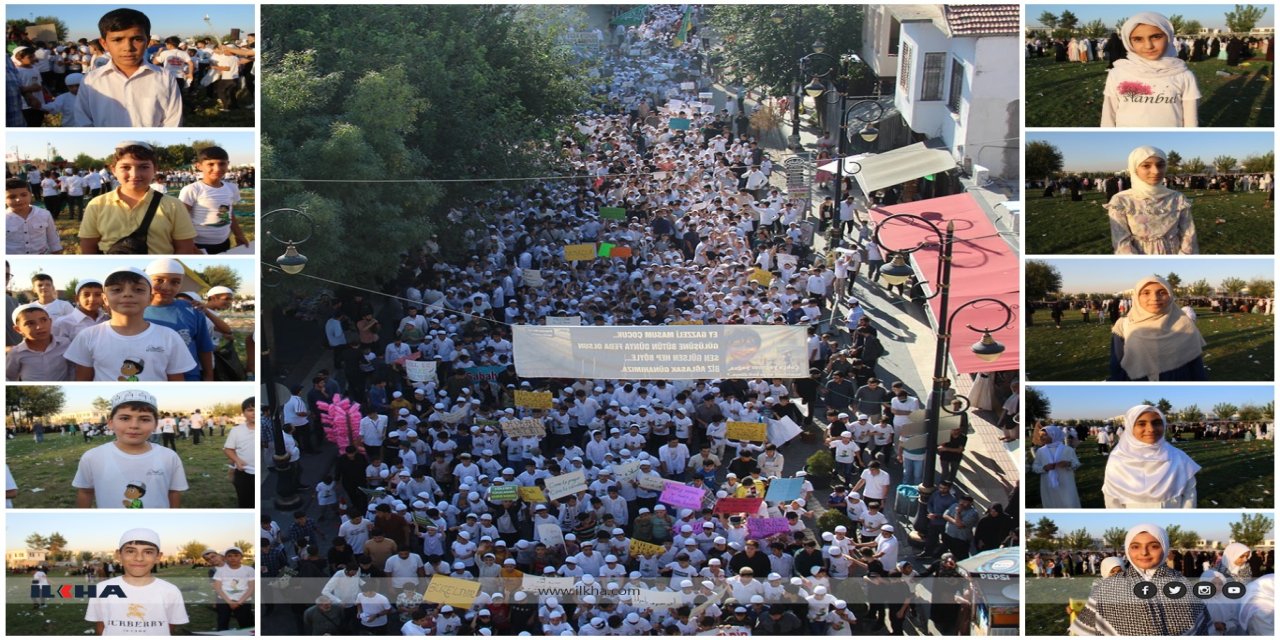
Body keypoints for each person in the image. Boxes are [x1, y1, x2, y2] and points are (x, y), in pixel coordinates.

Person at [1070, 523, 1210, 635]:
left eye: (1154, 546)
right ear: (1128, 550)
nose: (1144, 552)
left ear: (1165, 548)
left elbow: (1198, 627)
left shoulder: (1183, 584)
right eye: (1135, 546)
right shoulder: (1108, 587)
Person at [64, 267, 196, 381]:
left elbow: (176, 381)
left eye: (138, 290)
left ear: (150, 298)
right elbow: (84, 379)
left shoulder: (169, 337)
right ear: (105, 299)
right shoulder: (88, 336)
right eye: (117, 290)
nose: (127, 294)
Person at [72, 389, 189, 508]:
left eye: (144, 419)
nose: (134, 426)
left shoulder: (169, 457)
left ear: (155, 425)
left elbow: (174, 492)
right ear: (111, 423)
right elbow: (85, 492)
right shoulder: (92, 457)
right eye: (125, 418)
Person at [78, 142, 198, 254]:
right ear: (113, 170)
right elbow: (88, 246)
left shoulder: (173, 205)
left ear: (155, 169)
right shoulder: (97, 204)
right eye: (125, 167)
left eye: (144, 167)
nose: (134, 175)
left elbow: (184, 247)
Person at [73, 8, 183, 127]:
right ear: (104, 43)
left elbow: (172, 122)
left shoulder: (165, 77)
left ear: (147, 41)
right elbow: (83, 121)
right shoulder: (91, 80)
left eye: (137, 39)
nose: (128, 48)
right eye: (117, 40)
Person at [1101, 12, 1200, 127]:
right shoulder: (1118, 73)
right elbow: (1109, 114)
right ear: (1128, 42)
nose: (1148, 46)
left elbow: (1190, 119)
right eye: (1138, 39)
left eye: (1156, 37)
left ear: (1168, 36)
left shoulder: (1183, 75)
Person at [84, 527, 189, 634]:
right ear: (119, 555)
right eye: (130, 551)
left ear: (158, 557)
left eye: (148, 552)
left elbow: (168, 627)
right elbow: (101, 625)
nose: (139, 558)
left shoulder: (170, 591)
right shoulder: (101, 589)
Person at [1109, 275, 1207, 381]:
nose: (1155, 298)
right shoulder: (1124, 326)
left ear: (1170, 295)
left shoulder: (1185, 324)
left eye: (1162, 292)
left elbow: (1196, 366)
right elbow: (1116, 366)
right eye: (1146, 293)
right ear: (1137, 296)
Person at [1102, 405, 1200, 508]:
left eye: (1157, 423)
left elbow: (1190, 496)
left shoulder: (1178, 457)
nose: (1151, 429)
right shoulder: (1117, 459)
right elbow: (1112, 501)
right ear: (1131, 427)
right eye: (1142, 424)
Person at [1107, 146, 1196, 255]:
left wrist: (1184, 255)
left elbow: (1188, 232)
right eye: (1146, 166)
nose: (1156, 171)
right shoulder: (1122, 201)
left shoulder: (1177, 198)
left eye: (1160, 165)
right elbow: (1121, 242)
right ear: (1134, 168)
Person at [143, 258, 215, 381]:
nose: (166, 287)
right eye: (159, 280)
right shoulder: (133, 310)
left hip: (188, 377)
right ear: (147, 281)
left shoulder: (193, 310)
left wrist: (209, 376)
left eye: (175, 282)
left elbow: (204, 347)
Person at [178, 146, 248, 253]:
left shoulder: (232, 188)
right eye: (210, 164)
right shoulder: (192, 189)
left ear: (228, 164)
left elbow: (229, 213)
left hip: (224, 241)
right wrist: (190, 245)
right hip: (198, 245)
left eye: (222, 164)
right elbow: (181, 220)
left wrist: (239, 235)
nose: (217, 169)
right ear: (199, 166)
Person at [6, 304, 73, 381]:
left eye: (43, 320)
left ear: (50, 321)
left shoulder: (65, 343)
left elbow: (72, 368)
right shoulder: (16, 353)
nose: (39, 327)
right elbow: (9, 377)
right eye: (30, 323)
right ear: (18, 329)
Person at [6, 179, 61, 254]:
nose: (18, 199)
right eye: (12, 197)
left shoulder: (44, 214)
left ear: (30, 194)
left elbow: (53, 238)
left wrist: (56, 252)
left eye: (23, 195)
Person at [1032, 425, 1081, 508]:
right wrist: (1044, 468)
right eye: (1040, 435)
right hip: (1048, 483)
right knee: (1052, 503)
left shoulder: (1068, 450)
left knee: (1068, 502)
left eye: (1045, 435)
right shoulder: (1041, 451)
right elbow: (1035, 467)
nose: (1042, 437)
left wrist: (1068, 464)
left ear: (1053, 435)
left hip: (1065, 482)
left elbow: (1076, 464)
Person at [224, 398, 257, 508]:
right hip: (244, 473)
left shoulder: (266, 427)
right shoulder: (237, 430)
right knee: (245, 502)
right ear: (243, 413)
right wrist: (237, 460)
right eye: (250, 410)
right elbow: (228, 449)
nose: (254, 413)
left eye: (257, 409)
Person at [212, 547, 254, 630]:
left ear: (241, 557)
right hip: (224, 601)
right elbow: (217, 587)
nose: (233, 558)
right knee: (222, 623)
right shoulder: (220, 571)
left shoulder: (249, 570)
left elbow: (251, 587)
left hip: (243, 601)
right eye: (229, 556)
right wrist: (229, 602)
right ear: (225, 558)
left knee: (247, 625)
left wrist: (239, 602)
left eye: (236, 555)